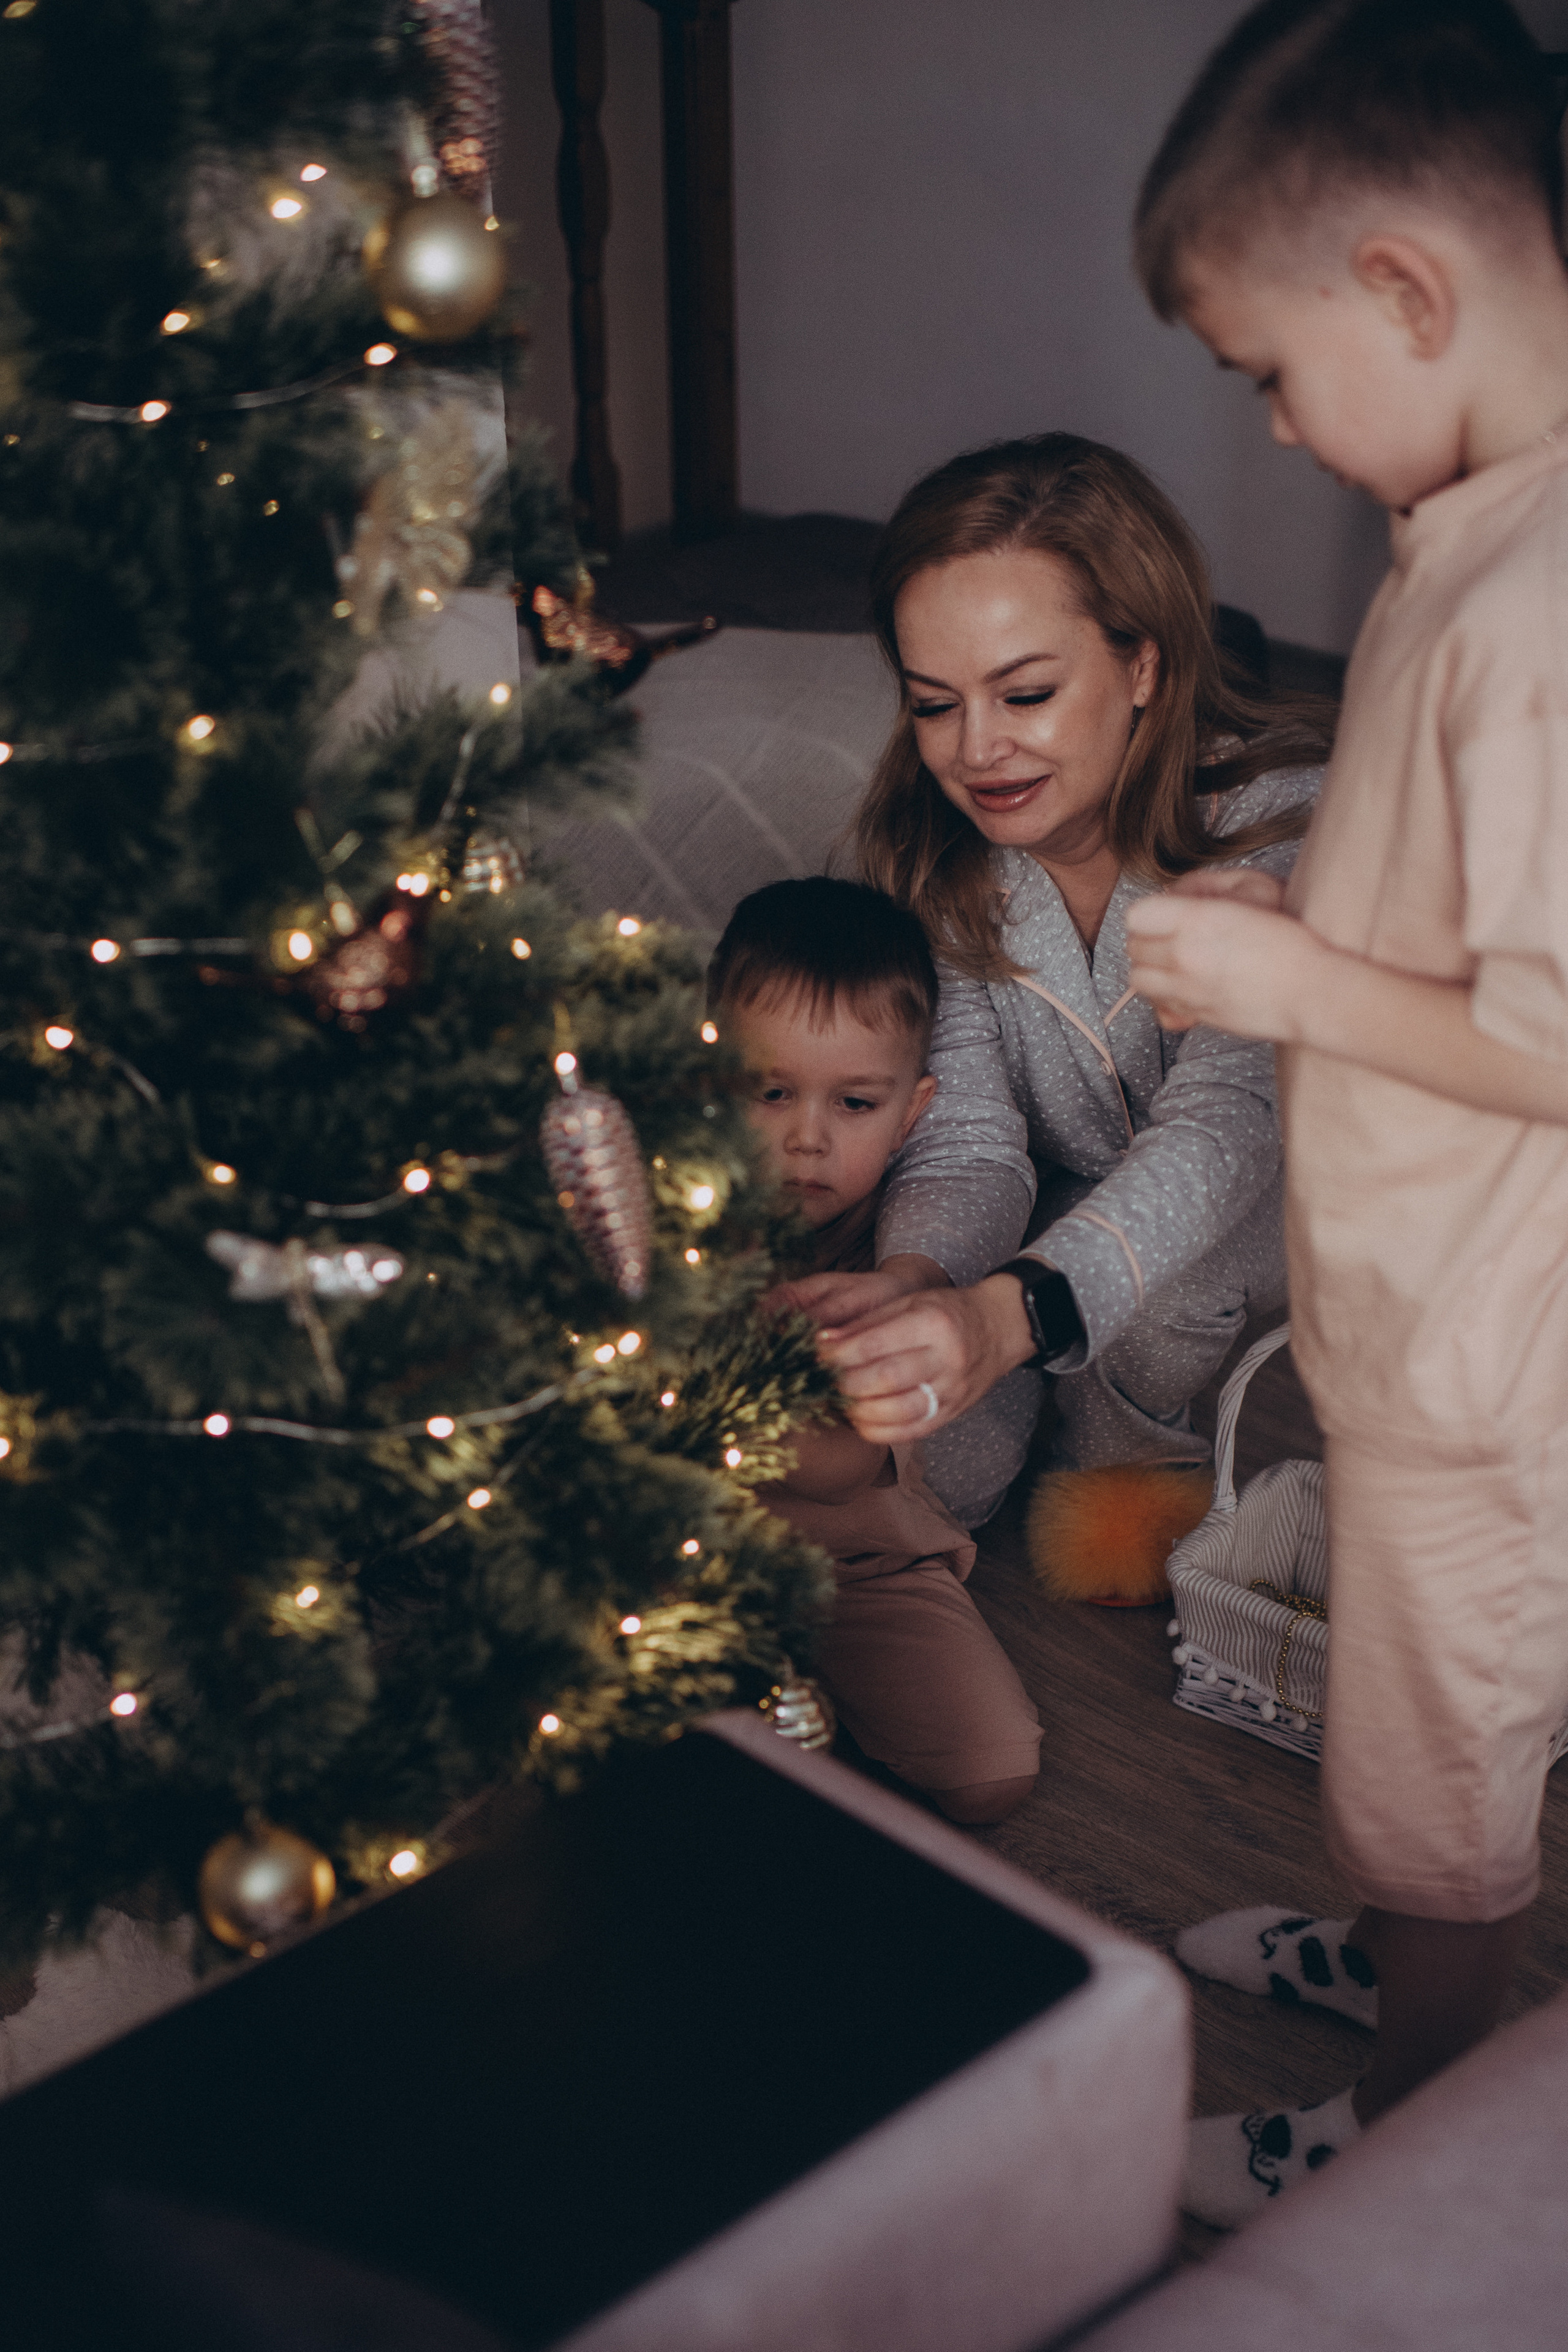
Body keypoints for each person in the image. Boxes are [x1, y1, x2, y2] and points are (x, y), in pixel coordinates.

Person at [1125, 0, 1568, 2226]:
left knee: (1442, 1771)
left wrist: (1296, 981)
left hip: (1493, 1362)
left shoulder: (1547, 593)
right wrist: (1319, 889)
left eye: (1271, 374)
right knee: (1415, 1767)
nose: (1282, 433)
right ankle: (1422, 1968)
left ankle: (1415, 2108)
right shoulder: (1475, 514)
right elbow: (1479, 890)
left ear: (1406, 285)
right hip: (1424, 1304)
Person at [771, 434, 1330, 1595]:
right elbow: (971, 1134)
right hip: (1045, 1233)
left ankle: (1145, 1452)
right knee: (942, 1459)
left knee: (1161, 1307)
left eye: (1026, 693)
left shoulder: (1283, 831)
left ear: (1144, 666)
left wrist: (1008, 1317)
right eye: (935, 705)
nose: (978, 752)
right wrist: (921, 1281)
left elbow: (1227, 1132)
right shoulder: (940, 865)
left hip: (1270, 1232)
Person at [710, 876, 1042, 1825]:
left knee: (993, 1772)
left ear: (912, 1113)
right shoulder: (669, 1220)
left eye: (855, 1105)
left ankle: (801, 1691)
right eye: (769, 1092)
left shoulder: (893, 1261)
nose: (805, 1141)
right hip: (665, 1545)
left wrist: (670, 1396)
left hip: (857, 1564)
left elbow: (841, 1464)